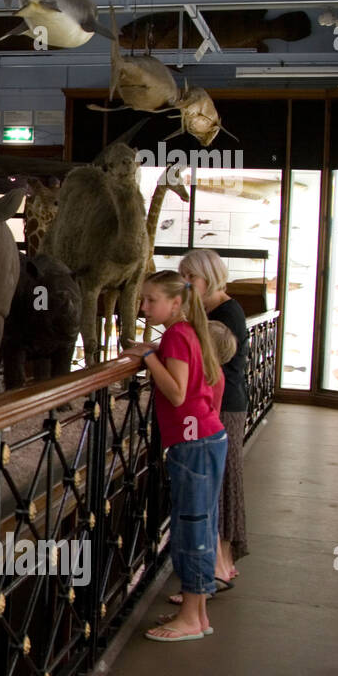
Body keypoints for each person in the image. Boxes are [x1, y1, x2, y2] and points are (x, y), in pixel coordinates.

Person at [121, 271, 227, 641]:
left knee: (193, 524)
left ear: (176, 303)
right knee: (200, 521)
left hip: (193, 441)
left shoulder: (179, 335)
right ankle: (195, 611)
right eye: (143, 300)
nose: (144, 307)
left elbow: (178, 393)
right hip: (205, 438)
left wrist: (148, 356)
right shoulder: (187, 332)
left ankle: (191, 617)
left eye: (151, 300)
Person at [180, 249, 249, 591]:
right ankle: (223, 563)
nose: (186, 285)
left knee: (220, 483)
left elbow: (208, 360)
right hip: (229, 404)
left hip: (225, 407)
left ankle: (217, 566)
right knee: (224, 481)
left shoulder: (225, 313)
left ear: (207, 278)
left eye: (190, 278)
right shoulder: (223, 310)